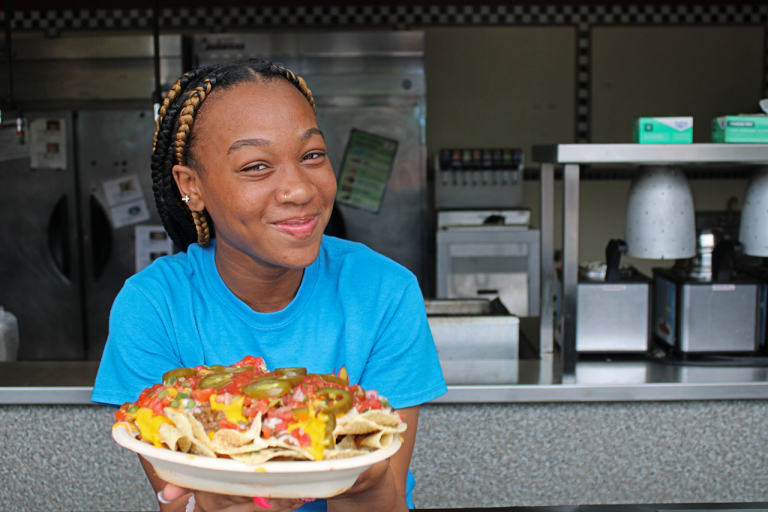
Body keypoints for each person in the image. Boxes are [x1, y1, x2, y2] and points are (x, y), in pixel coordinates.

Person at [91, 58, 447, 512]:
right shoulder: (153, 307)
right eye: (257, 165)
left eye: (312, 155)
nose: (299, 189)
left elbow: (385, 499)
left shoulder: (384, 293)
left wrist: (362, 481)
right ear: (191, 186)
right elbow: (178, 499)